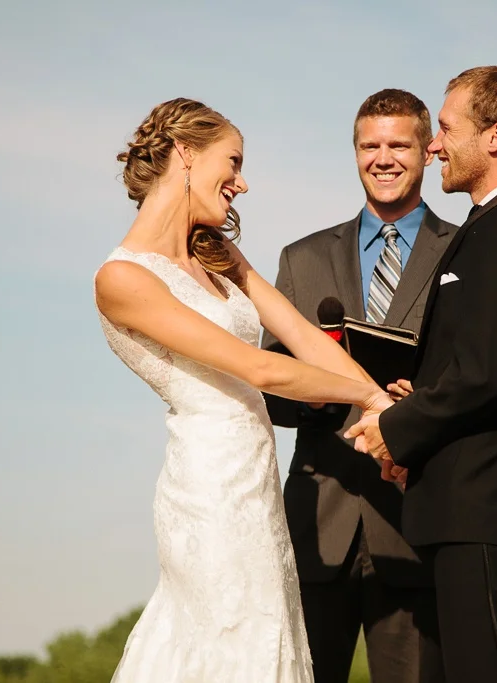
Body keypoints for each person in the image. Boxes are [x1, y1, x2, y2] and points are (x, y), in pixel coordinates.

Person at [94, 97, 393, 683]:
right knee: (223, 634)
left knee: (267, 632)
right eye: (232, 162)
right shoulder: (122, 278)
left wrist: (385, 410)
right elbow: (261, 370)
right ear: (184, 153)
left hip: (256, 482)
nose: (242, 182)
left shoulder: (219, 254)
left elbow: (304, 337)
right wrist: (371, 402)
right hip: (207, 487)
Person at [346, 66, 497, 682]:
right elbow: (481, 364)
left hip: (490, 509)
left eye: (447, 127)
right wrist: (419, 397)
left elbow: (487, 374)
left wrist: (397, 428)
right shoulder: (495, 228)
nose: (433, 144)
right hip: (466, 510)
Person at [261, 89, 455, 683]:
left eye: (399, 144)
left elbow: (476, 375)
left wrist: (417, 407)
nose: (384, 157)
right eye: (370, 145)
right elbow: (268, 386)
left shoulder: (466, 250)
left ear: (427, 151)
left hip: (415, 517)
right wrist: (313, 393)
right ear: (354, 154)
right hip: (319, 520)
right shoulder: (302, 257)